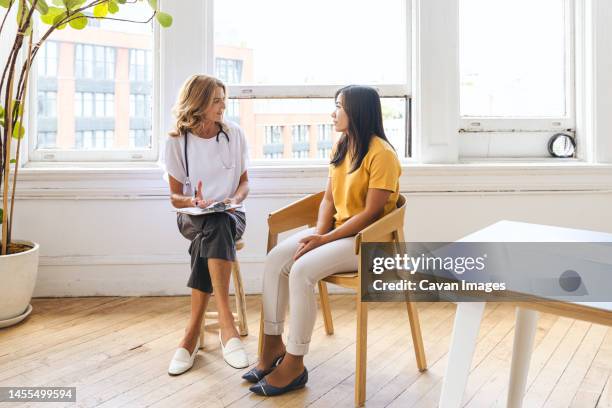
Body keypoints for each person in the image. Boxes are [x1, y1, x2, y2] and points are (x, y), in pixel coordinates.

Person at [245, 85, 402, 396]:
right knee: (277, 258)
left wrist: (325, 238)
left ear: (357, 111)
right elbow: (328, 201)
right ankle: (272, 345)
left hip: (367, 242)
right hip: (337, 234)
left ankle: (294, 363)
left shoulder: (382, 154)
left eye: (339, 106)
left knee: (302, 270)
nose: (334, 112)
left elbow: (372, 214)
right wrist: (318, 233)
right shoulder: (342, 146)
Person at [164, 74, 250, 375]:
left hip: (230, 216)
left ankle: (190, 335)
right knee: (211, 224)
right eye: (216, 100)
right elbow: (175, 198)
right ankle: (228, 329)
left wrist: (233, 201)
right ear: (198, 102)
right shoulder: (177, 140)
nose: (222, 105)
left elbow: (243, 185)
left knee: (217, 224)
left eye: (223, 99)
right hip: (191, 216)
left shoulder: (234, 133)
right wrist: (194, 202)